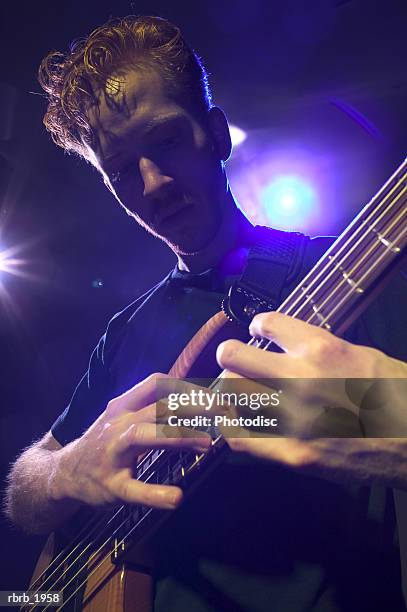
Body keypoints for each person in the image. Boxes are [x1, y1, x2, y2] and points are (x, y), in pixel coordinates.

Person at [5, 15, 407, 612]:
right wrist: (67, 470)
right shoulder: (123, 333)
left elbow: (379, 418)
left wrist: (388, 420)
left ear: (216, 134)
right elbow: (20, 493)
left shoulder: (355, 269)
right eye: (120, 170)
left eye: (165, 140)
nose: (152, 183)